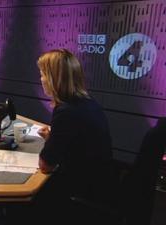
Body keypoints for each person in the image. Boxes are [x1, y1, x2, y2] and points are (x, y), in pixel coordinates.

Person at [33, 49, 116, 224]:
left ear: (54, 79)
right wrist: (53, 137)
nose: (41, 79)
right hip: (103, 183)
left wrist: (51, 142)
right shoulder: (87, 102)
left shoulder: (65, 111)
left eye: (42, 74)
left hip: (82, 190)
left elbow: (46, 165)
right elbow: (75, 144)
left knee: (30, 199)